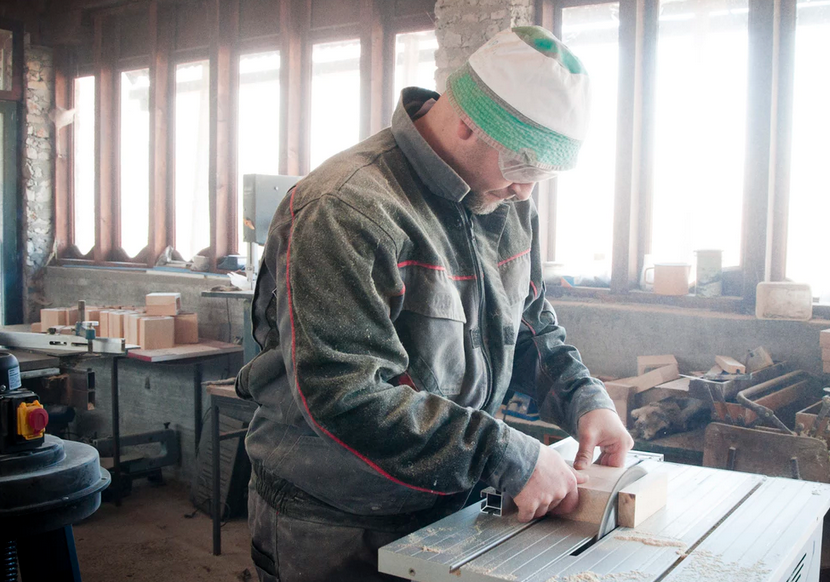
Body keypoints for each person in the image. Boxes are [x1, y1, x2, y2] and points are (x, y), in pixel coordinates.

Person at [236, 25, 633, 582]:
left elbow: (529, 320)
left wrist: (584, 399)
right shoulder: (348, 208)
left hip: (452, 499)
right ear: (470, 122)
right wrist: (503, 454)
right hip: (338, 522)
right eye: (524, 168)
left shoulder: (506, 203)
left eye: (544, 175)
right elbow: (344, 392)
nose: (527, 192)